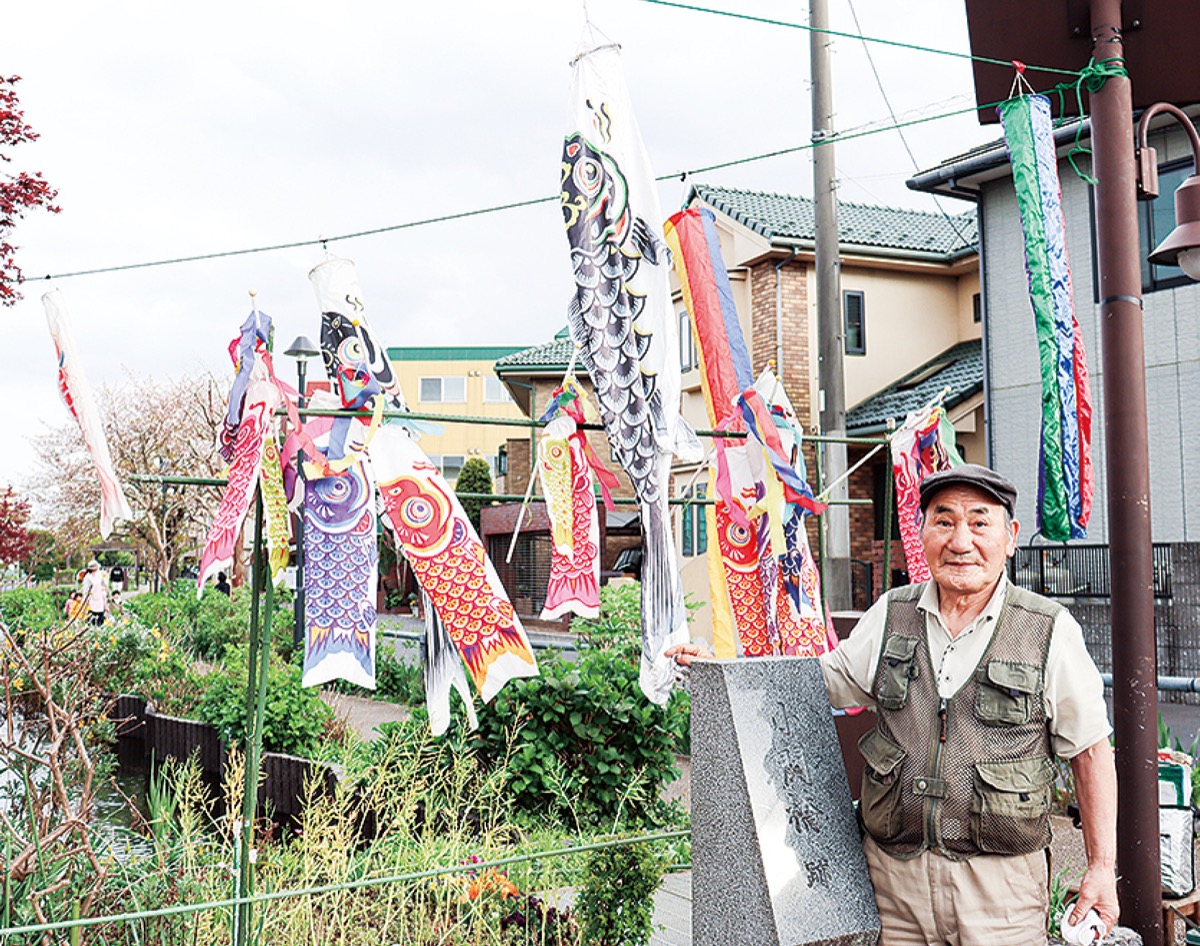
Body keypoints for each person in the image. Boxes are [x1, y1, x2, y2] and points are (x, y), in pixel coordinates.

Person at [669, 464, 1118, 946]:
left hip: (1000, 892)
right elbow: (821, 681)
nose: (960, 541)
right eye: (943, 521)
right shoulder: (892, 613)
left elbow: (1091, 752)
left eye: (979, 522)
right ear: (921, 533)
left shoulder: (1047, 629)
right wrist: (727, 668)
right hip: (893, 885)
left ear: (1010, 537)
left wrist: (1101, 867)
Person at [80, 559, 109, 626]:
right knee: (92, 617)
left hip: (99, 598)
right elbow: (86, 590)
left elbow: (103, 585)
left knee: (100, 617)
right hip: (91, 599)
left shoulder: (99, 575)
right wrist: (85, 601)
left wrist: (105, 590)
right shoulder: (88, 577)